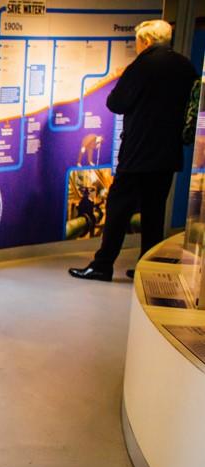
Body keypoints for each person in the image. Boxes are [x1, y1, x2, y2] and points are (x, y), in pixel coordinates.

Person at [70, 20, 196, 282]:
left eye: (137, 41)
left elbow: (117, 102)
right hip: (168, 154)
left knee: (118, 209)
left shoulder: (142, 66)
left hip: (138, 153)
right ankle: (147, 268)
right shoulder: (185, 66)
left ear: (146, 41)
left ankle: (103, 265)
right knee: (154, 213)